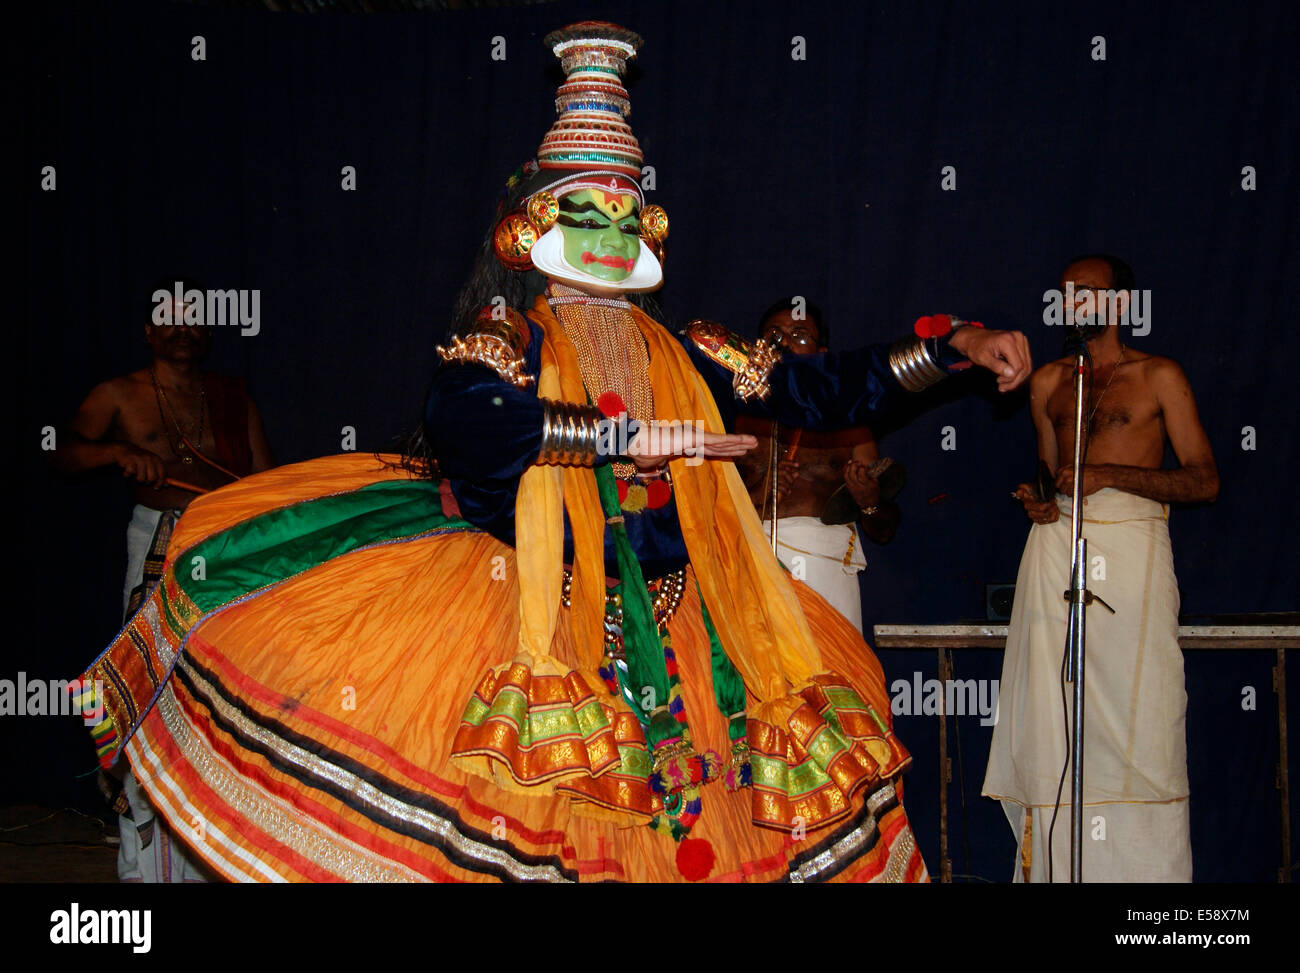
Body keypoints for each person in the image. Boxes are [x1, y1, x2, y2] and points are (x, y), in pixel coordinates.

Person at [77, 21, 1029, 883]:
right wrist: (618, 440)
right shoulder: (508, 338)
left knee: (688, 829)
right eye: (589, 213)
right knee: (524, 828)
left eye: (627, 213)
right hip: (528, 607)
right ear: (536, 228)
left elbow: (819, 389)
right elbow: (472, 424)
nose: (612, 232)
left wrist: (952, 352)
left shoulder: (692, 347)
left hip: (684, 618)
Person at [982, 253, 1218, 882]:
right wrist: (1039, 502)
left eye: (1086, 293)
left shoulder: (1160, 375)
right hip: (1059, 551)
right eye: (1064, 295)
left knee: (1143, 720)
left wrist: (1110, 476)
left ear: (1119, 303)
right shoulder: (1048, 382)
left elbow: (1204, 480)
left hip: (1134, 547)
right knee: (1054, 720)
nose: (1072, 304)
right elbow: (1049, 473)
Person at [54, 279, 274, 881]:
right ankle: (140, 866)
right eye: (169, 319)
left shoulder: (231, 397)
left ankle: (208, 859)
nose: (183, 328)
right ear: (149, 333)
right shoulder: (118, 396)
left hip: (223, 549)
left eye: (194, 320)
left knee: (216, 697)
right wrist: (116, 453)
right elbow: (62, 452)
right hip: (157, 542)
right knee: (148, 691)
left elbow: (264, 483)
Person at [735, 299, 903, 634]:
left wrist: (868, 500)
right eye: (774, 335)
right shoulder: (735, 418)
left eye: (799, 335)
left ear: (822, 354)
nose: (783, 343)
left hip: (825, 571)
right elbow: (703, 507)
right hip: (748, 561)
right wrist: (758, 493)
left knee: (834, 678)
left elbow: (885, 529)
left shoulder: (850, 426)